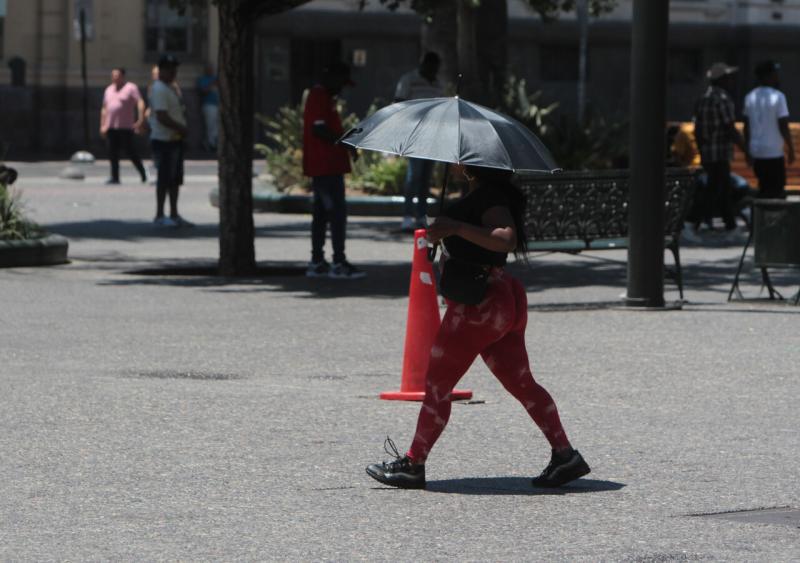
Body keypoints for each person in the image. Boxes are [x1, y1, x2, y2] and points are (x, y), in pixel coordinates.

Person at [366, 164, 590, 489]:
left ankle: (413, 464)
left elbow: (505, 239)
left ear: (472, 164)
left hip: (479, 306)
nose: (453, 164)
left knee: (438, 383)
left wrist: (455, 226)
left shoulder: (491, 197)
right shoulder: (487, 194)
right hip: (499, 298)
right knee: (522, 382)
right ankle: (565, 455)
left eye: (459, 159)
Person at [302, 61, 365, 279]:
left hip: (325, 166)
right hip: (326, 166)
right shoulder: (319, 96)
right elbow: (319, 129)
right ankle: (338, 262)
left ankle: (317, 260)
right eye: (341, 84)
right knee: (336, 214)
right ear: (332, 78)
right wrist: (344, 143)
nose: (341, 89)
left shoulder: (324, 97)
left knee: (320, 215)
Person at [691, 62, 748, 236]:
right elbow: (730, 127)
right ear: (722, 80)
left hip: (708, 153)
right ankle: (690, 222)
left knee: (720, 189)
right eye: (729, 77)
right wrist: (746, 150)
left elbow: (697, 128)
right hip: (720, 152)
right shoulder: (722, 99)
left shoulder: (703, 98)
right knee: (715, 190)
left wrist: (702, 150)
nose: (732, 81)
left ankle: (730, 226)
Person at [394, 52, 444, 232]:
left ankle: (421, 216)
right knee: (413, 177)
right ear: (423, 64)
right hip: (414, 135)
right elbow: (399, 104)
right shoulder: (409, 80)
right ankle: (407, 216)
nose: (432, 70)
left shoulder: (438, 84)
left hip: (431, 136)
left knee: (425, 179)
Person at [148, 54, 191, 227]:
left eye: (175, 68)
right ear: (162, 70)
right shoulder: (159, 88)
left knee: (175, 179)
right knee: (164, 179)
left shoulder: (170, 87)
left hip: (174, 139)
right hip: (164, 140)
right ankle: (160, 214)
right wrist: (181, 128)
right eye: (170, 68)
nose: (174, 72)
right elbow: (161, 116)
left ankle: (173, 213)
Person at [743, 61, 796, 199]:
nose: (777, 77)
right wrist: (790, 148)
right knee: (777, 192)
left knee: (764, 188)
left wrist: (747, 151)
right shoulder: (778, 97)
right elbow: (783, 124)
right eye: (774, 74)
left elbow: (746, 127)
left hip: (757, 152)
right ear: (768, 76)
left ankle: (762, 219)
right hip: (773, 153)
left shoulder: (749, 97)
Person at [100, 67, 147, 185]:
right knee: (112, 153)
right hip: (111, 126)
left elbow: (140, 102)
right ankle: (115, 177)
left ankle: (143, 173)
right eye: (113, 75)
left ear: (122, 76)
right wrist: (103, 125)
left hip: (125, 127)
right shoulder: (109, 89)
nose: (114, 78)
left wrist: (140, 119)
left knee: (131, 152)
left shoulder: (130, 88)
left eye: (117, 75)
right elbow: (104, 108)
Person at [196, 63, 219, 152]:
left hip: (217, 105)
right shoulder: (203, 79)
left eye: (212, 69)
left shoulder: (215, 78)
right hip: (208, 105)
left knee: (216, 126)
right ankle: (210, 143)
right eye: (209, 69)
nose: (211, 70)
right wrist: (212, 84)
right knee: (210, 125)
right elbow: (202, 91)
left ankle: (213, 142)